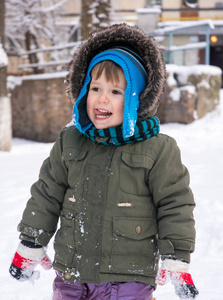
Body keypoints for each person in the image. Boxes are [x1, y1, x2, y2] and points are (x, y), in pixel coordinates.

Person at [9, 23, 199, 300]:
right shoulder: (70, 141)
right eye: (95, 88)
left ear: (136, 98)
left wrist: (177, 256)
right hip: (71, 275)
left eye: (115, 92)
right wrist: (30, 243)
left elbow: (175, 205)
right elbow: (46, 195)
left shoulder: (158, 149)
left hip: (128, 280)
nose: (102, 99)